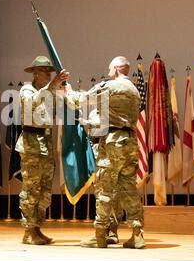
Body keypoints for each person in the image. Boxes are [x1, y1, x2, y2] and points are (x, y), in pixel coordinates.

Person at [69, 56, 145, 248]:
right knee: (129, 189)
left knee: (104, 188)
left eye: (110, 67)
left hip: (112, 142)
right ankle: (137, 234)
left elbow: (81, 100)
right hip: (130, 142)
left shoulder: (110, 87)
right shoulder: (135, 91)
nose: (108, 71)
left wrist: (67, 91)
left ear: (118, 68)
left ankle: (100, 235)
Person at [15, 56, 69, 245]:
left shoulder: (50, 91)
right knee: (31, 189)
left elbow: (61, 109)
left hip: (45, 143)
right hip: (31, 145)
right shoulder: (27, 90)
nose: (49, 73)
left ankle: (36, 228)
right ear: (36, 73)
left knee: (44, 191)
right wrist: (53, 85)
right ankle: (29, 231)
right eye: (45, 71)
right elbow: (34, 102)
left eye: (50, 71)